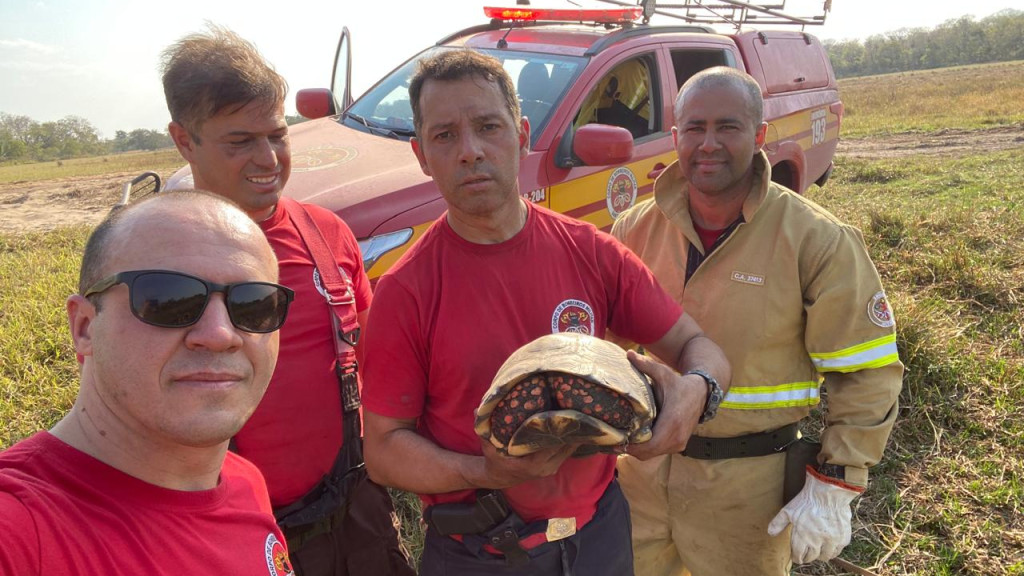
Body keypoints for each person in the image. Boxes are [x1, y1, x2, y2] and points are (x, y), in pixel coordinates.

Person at [360, 49, 731, 576]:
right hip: (480, 553)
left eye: (488, 126)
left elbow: (702, 349)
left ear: (522, 134)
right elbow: (384, 449)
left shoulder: (590, 251)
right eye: (445, 136)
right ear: (422, 156)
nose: (470, 151)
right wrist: (487, 472)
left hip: (599, 537)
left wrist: (697, 391)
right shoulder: (406, 292)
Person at [611, 66, 904, 576]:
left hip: (749, 488)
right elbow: (604, 347)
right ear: (675, 136)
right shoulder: (634, 228)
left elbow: (867, 371)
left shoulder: (814, 238)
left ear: (759, 134)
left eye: (728, 127)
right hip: (639, 476)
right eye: (695, 128)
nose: (709, 144)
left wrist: (836, 481)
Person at [161, 26, 413, 576]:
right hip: (233, 531)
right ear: (184, 141)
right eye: (240, 142)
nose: (268, 158)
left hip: (357, 506)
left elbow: (375, 357)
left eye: (277, 135)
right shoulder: (158, 259)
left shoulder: (326, 233)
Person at [0, 191, 296, 575]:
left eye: (254, 305)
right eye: (169, 299)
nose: (222, 334)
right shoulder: (21, 532)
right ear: (84, 327)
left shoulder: (243, 482)